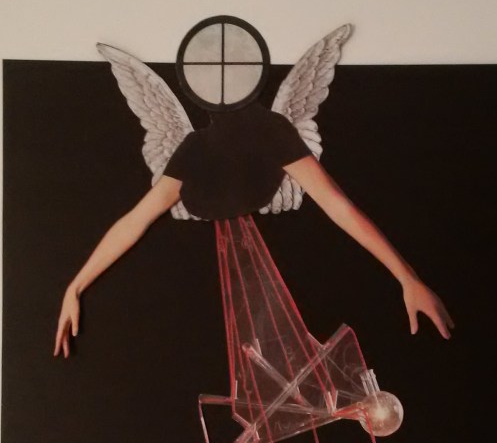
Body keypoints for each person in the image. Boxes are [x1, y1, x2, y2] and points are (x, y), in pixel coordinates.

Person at [53, 153, 454, 358]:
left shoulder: (272, 134)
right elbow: (135, 221)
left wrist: (407, 277)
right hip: (220, 298)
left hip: (298, 281)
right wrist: (76, 286)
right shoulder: (196, 151)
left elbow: (339, 206)